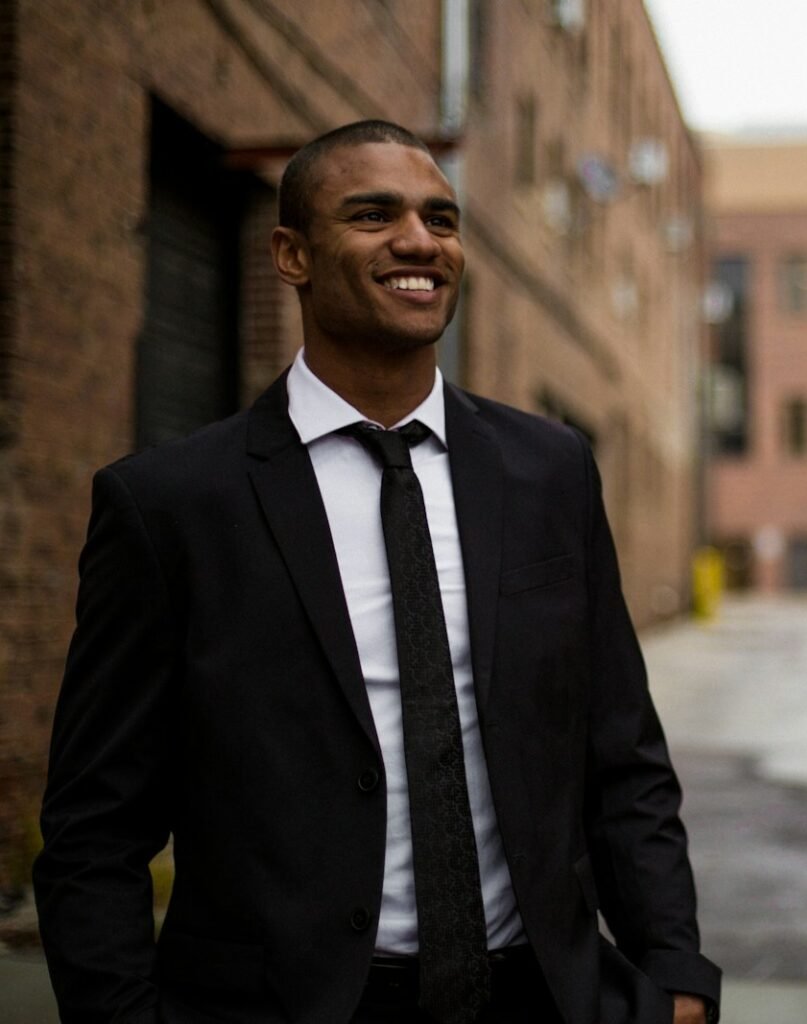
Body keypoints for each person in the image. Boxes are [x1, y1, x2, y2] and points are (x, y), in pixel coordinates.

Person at [34, 120, 721, 1024]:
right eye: (372, 214)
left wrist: (674, 975)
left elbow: (621, 754)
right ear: (292, 254)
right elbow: (96, 823)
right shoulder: (169, 505)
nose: (419, 241)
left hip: (539, 995)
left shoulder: (548, 471)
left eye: (441, 218)